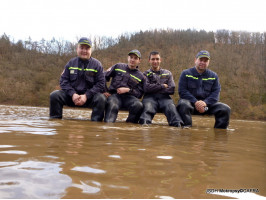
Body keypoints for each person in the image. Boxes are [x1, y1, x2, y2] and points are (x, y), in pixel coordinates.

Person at [49, 37, 106, 121]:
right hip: (71, 96)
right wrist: (73, 94)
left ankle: (95, 126)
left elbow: (101, 84)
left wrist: (86, 95)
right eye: (81, 48)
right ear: (77, 49)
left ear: (91, 50)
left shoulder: (97, 65)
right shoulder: (70, 63)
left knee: (101, 98)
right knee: (55, 95)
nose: (84, 51)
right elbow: (63, 81)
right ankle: (55, 122)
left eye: (87, 48)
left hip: (89, 98)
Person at [176, 50, 231, 129]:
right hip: (190, 106)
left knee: (225, 109)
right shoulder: (185, 73)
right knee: (183, 104)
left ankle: (220, 133)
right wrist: (196, 102)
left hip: (206, 107)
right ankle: (186, 130)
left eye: (205, 61)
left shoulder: (214, 76)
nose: (203, 62)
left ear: (208, 62)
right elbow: (182, 92)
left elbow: (216, 94)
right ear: (195, 60)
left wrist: (205, 103)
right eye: (201, 60)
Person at [139, 51, 183, 127]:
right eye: (153, 59)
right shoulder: (145, 74)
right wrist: (162, 86)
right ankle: (144, 128)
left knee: (172, 109)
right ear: (149, 60)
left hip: (165, 98)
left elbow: (171, 89)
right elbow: (146, 88)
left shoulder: (168, 73)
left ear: (160, 60)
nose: (155, 61)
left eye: (157, 59)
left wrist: (153, 87)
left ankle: (178, 128)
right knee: (147, 109)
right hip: (149, 98)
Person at [103, 49, 145, 123]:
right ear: (128, 58)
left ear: (139, 61)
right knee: (113, 105)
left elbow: (139, 94)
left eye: (135, 58)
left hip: (130, 98)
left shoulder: (141, 76)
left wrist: (128, 90)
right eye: (131, 57)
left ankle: (129, 127)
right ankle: (108, 128)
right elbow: (103, 76)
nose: (132, 60)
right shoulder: (118, 66)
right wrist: (105, 90)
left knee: (138, 105)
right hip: (114, 95)